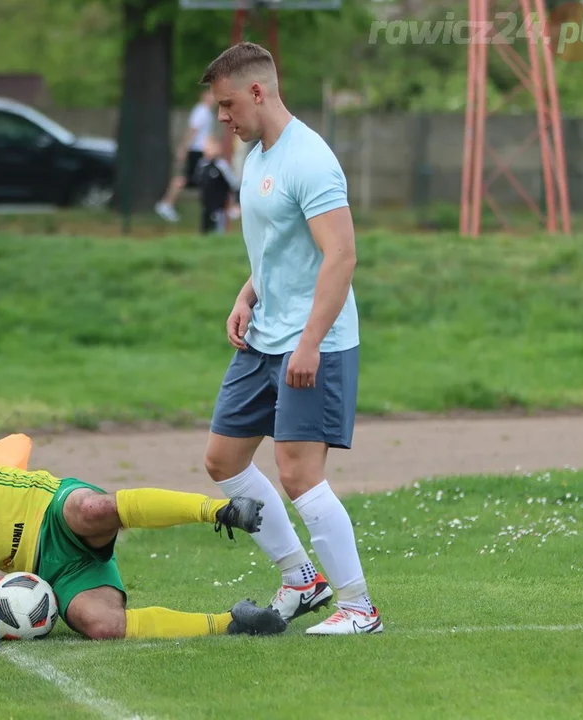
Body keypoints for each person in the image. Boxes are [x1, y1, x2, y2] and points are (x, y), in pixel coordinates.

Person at [0, 422, 288, 671]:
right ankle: (237, 622)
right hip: (50, 567)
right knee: (100, 626)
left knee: (94, 510)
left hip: (52, 506)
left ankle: (222, 511)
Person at [198, 42, 382, 635]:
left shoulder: (311, 159)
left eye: (227, 104)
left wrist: (309, 343)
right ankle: (303, 580)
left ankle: (360, 608)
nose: (222, 117)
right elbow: (279, 248)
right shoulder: (256, 155)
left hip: (312, 343)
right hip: (265, 336)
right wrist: (247, 294)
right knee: (223, 460)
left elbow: (341, 255)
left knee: (299, 473)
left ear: (258, 92)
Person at [155, 88, 216, 223]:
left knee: (195, 178)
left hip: (201, 150)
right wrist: (183, 148)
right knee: (189, 179)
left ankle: (168, 203)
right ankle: (166, 203)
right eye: (210, 94)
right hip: (196, 150)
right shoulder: (201, 111)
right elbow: (192, 131)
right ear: (203, 95)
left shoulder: (206, 112)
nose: (213, 98)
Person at [194, 135, 240, 235]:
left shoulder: (222, 166)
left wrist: (237, 203)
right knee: (204, 232)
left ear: (218, 148)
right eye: (206, 147)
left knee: (219, 232)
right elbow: (197, 181)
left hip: (219, 207)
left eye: (211, 147)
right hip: (205, 206)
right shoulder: (202, 165)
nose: (208, 150)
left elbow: (234, 185)